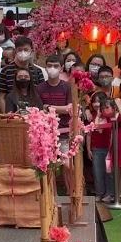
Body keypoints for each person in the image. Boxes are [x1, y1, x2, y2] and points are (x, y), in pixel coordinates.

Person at [37, 54, 73, 192]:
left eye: (56, 66)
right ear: (45, 68)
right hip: (46, 134)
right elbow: (40, 111)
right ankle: (52, 197)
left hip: (64, 133)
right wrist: (59, 109)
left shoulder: (67, 87)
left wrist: (49, 107)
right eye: (49, 66)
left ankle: (72, 194)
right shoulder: (39, 88)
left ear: (61, 68)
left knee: (68, 166)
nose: (52, 69)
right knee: (49, 167)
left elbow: (70, 109)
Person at [0, 36, 45, 113]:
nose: (23, 52)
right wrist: (6, 117)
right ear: (15, 51)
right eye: (20, 50)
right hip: (12, 115)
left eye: (26, 50)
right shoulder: (6, 71)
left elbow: (41, 95)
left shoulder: (37, 71)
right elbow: (2, 97)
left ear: (31, 51)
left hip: (34, 116)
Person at [86, 95, 115, 203]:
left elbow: (106, 132)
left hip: (108, 149)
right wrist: (88, 149)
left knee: (109, 173)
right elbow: (89, 134)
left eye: (99, 102)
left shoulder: (109, 116)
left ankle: (110, 194)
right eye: (94, 102)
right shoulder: (91, 116)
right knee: (97, 172)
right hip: (96, 149)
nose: (96, 104)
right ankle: (99, 193)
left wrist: (111, 149)